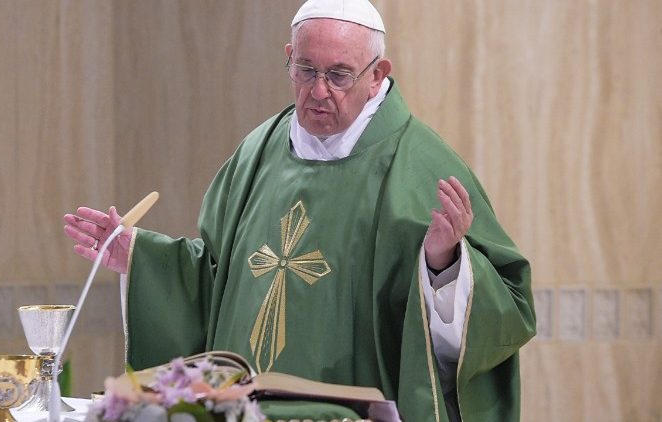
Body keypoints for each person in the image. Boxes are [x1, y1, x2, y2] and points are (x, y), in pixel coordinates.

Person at [64, 1, 536, 420]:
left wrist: (443, 263)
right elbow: (217, 277)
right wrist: (142, 257)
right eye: (306, 70)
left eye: (338, 74)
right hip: (244, 410)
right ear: (289, 59)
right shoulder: (257, 152)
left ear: (377, 74)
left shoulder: (422, 166)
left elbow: (506, 311)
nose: (319, 91)